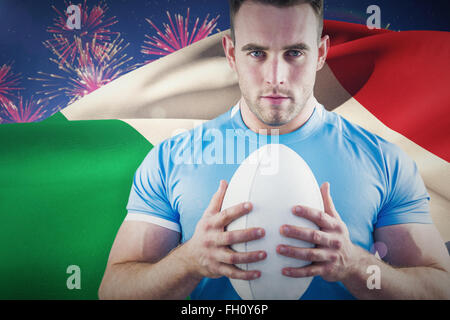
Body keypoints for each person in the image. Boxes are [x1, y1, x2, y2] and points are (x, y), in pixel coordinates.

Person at [98, 0, 450, 299]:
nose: (275, 76)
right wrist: (188, 261)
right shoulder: (171, 158)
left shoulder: (383, 160)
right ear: (232, 54)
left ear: (321, 53)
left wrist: (354, 264)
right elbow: (112, 288)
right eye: (257, 52)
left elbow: (440, 287)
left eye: (294, 52)